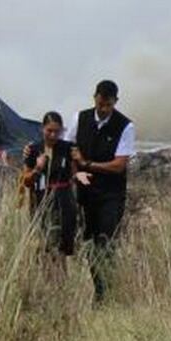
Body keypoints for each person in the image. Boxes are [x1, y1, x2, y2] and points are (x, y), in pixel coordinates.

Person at [67, 79, 136, 301]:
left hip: (111, 195)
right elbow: (69, 148)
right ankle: (98, 290)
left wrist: (87, 165)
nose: (104, 109)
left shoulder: (125, 126)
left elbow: (118, 165)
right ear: (95, 98)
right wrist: (76, 172)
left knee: (106, 241)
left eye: (108, 105)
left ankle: (106, 292)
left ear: (116, 102)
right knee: (89, 242)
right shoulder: (80, 118)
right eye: (100, 104)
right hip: (85, 193)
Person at [21, 111, 78, 264]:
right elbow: (26, 181)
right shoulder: (33, 149)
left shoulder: (68, 148)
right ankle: (48, 275)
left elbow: (75, 174)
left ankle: (60, 276)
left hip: (64, 201)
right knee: (43, 244)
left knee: (60, 248)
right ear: (42, 128)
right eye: (49, 131)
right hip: (41, 201)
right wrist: (38, 169)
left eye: (57, 131)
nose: (53, 135)